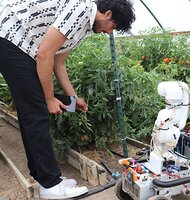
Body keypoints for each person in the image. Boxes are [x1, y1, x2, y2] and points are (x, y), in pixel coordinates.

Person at [0, 0, 135, 199]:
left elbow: (58, 62)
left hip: (19, 43)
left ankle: (43, 177)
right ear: (107, 14)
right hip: (9, 35)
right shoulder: (80, 10)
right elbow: (44, 55)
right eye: (112, 27)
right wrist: (48, 99)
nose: (109, 33)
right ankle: (50, 184)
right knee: (36, 112)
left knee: (32, 112)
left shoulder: (85, 27)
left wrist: (73, 98)